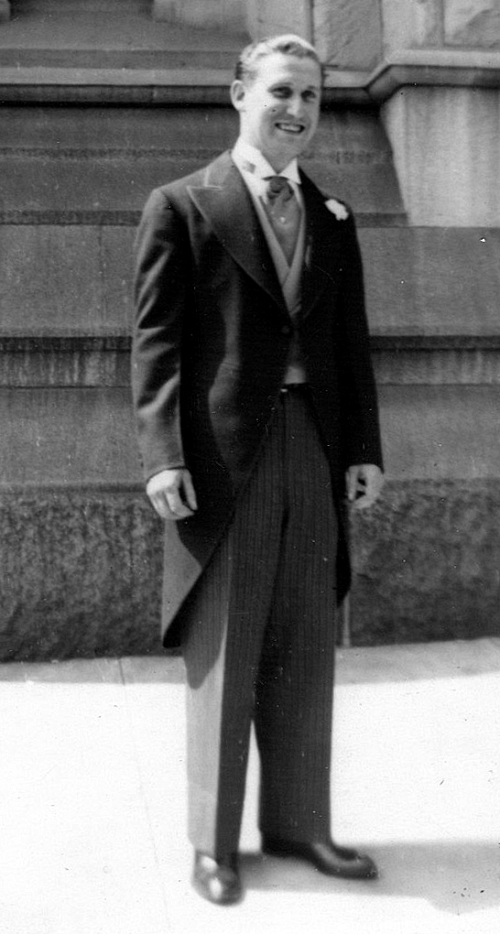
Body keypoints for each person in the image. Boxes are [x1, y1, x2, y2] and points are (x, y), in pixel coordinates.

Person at [132, 33, 384, 906]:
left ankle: (300, 825)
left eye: (311, 96)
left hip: (313, 444)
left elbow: (350, 344)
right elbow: (156, 343)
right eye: (281, 91)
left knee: (307, 643)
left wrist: (363, 448)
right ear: (239, 93)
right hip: (223, 459)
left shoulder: (334, 215)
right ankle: (213, 845)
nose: (297, 110)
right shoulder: (182, 204)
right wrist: (163, 455)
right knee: (228, 649)